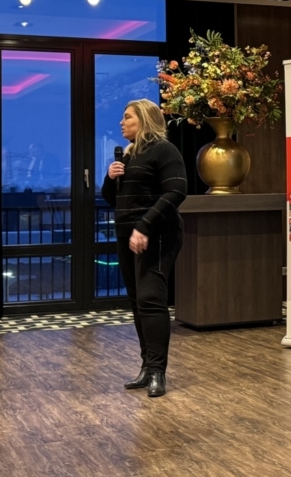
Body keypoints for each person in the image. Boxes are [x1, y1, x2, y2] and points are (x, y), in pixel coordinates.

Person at [101, 99, 187, 398]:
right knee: (138, 302)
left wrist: (145, 226)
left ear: (145, 119)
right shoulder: (128, 154)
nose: (121, 122)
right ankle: (147, 367)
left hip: (157, 233)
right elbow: (112, 199)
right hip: (128, 234)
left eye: (127, 117)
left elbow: (176, 191)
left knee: (150, 299)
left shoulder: (164, 150)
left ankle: (158, 372)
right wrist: (110, 178)